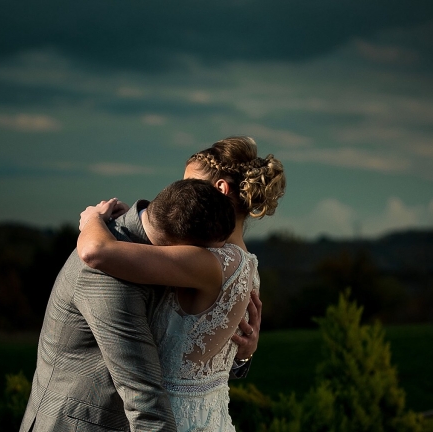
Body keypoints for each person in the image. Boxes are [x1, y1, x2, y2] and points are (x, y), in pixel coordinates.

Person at [76, 136, 286, 431]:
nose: (181, 192)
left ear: (220, 189)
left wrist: (92, 220)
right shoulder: (248, 264)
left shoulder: (207, 262)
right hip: (211, 417)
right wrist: (244, 355)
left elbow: (95, 252)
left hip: (170, 419)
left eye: (189, 184)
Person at [20, 179, 253, 432]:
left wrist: (240, 352)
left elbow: (179, 351)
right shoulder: (110, 276)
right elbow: (145, 402)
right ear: (181, 247)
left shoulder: (155, 243)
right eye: (205, 254)